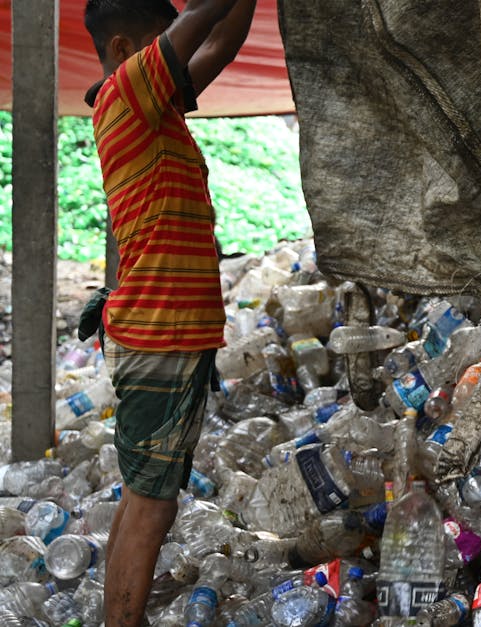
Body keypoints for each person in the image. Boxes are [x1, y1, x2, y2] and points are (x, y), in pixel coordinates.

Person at [81, 0, 254, 624]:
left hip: (165, 330)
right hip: (160, 329)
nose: (174, 63)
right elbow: (201, 23)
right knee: (153, 505)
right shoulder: (126, 90)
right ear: (126, 48)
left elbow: (221, 45)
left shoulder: (156, 107)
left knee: (144, 493)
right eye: (162, 47)